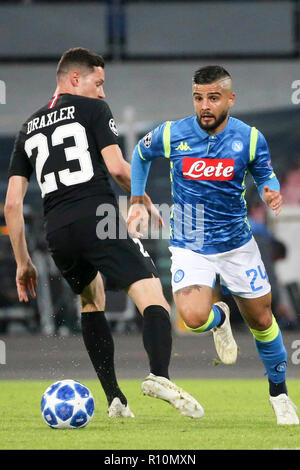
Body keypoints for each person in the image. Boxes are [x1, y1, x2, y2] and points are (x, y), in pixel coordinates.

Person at [4, 47, 203, 419]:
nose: (103, 92)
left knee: (92, 301)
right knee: (152, 293)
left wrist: (23, 263)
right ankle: (159, 376)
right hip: (98, 217)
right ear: (76, 79)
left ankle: (115, 399)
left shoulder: (27, 127)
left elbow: (12, 205)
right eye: (99, 83)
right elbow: (117, 168)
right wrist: (142, 198)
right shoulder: (92, 110)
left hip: (58, 231)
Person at [127, 65, 299, 425]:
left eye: (213, 98)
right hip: (190, 243)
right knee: (191, 317)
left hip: (237, 244)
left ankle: (279, 394)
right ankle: (219, 316)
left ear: (230, 99)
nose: (204, 105)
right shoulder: (173, 133)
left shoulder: (250, 138)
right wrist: (137, 196)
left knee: (262, 320)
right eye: (198, 97)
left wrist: (270, 190)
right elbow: (141, 155)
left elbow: (264, 171)